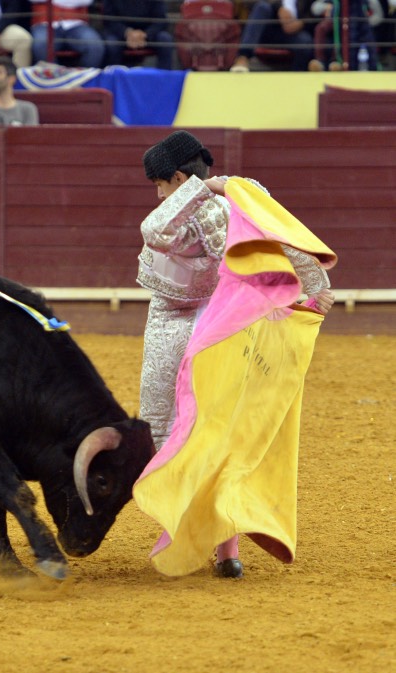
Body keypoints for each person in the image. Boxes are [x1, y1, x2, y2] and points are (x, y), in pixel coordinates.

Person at [133, 130, 334, 579]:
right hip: (225, 324)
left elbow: (155, 229)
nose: (157, 193)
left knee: (169, 428)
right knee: (219, 428)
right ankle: (227, 552)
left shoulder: (186, 210)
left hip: (178, 324)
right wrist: (317, 286)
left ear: (179, 177)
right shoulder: (240, 200)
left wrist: (196, 190)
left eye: (160, 184)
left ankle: (188, 535)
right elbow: (279, 238)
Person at [230, 0, 314, 72]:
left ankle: (297, 78)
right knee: (262, 7)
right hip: (266, 28)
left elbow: (314, 12)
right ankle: (243, 57)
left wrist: (302, 23)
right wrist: (278, 7)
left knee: (305, 41)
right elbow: (249, 2)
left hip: (292, 33)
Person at [308, 0, 381, 71]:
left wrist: (367, 21)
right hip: (335, 21)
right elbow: (315, 8)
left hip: (356, 24)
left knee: (351, 35)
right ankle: (320, 61)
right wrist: (328, 7)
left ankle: (337, 62)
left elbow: (378, 15)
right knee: (321, 28)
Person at [29, 0, 105, 68]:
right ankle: (55, 80)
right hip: (44, 23)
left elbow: (86, 1)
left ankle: (82, 80)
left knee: (94, 46)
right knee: (40, 45)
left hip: (76, 23)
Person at [102, 0, 175, 70]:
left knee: (165, 39)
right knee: (112, 44)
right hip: (120, 32)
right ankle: (113, 77)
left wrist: (146, 34)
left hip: (147, 33)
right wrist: (127, 32)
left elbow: (161, 19)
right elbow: (109, 19)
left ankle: (164, 78)